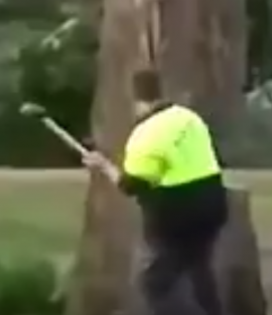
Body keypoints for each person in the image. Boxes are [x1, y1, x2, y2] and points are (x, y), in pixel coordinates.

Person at [82, 69, 228, 315]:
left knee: (156, 285)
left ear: (134, 97)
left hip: (176, 213)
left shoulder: (145, 135)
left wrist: (102, 165)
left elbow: (131, 186)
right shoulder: (189, 118)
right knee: (199, 270)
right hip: (213, 202)